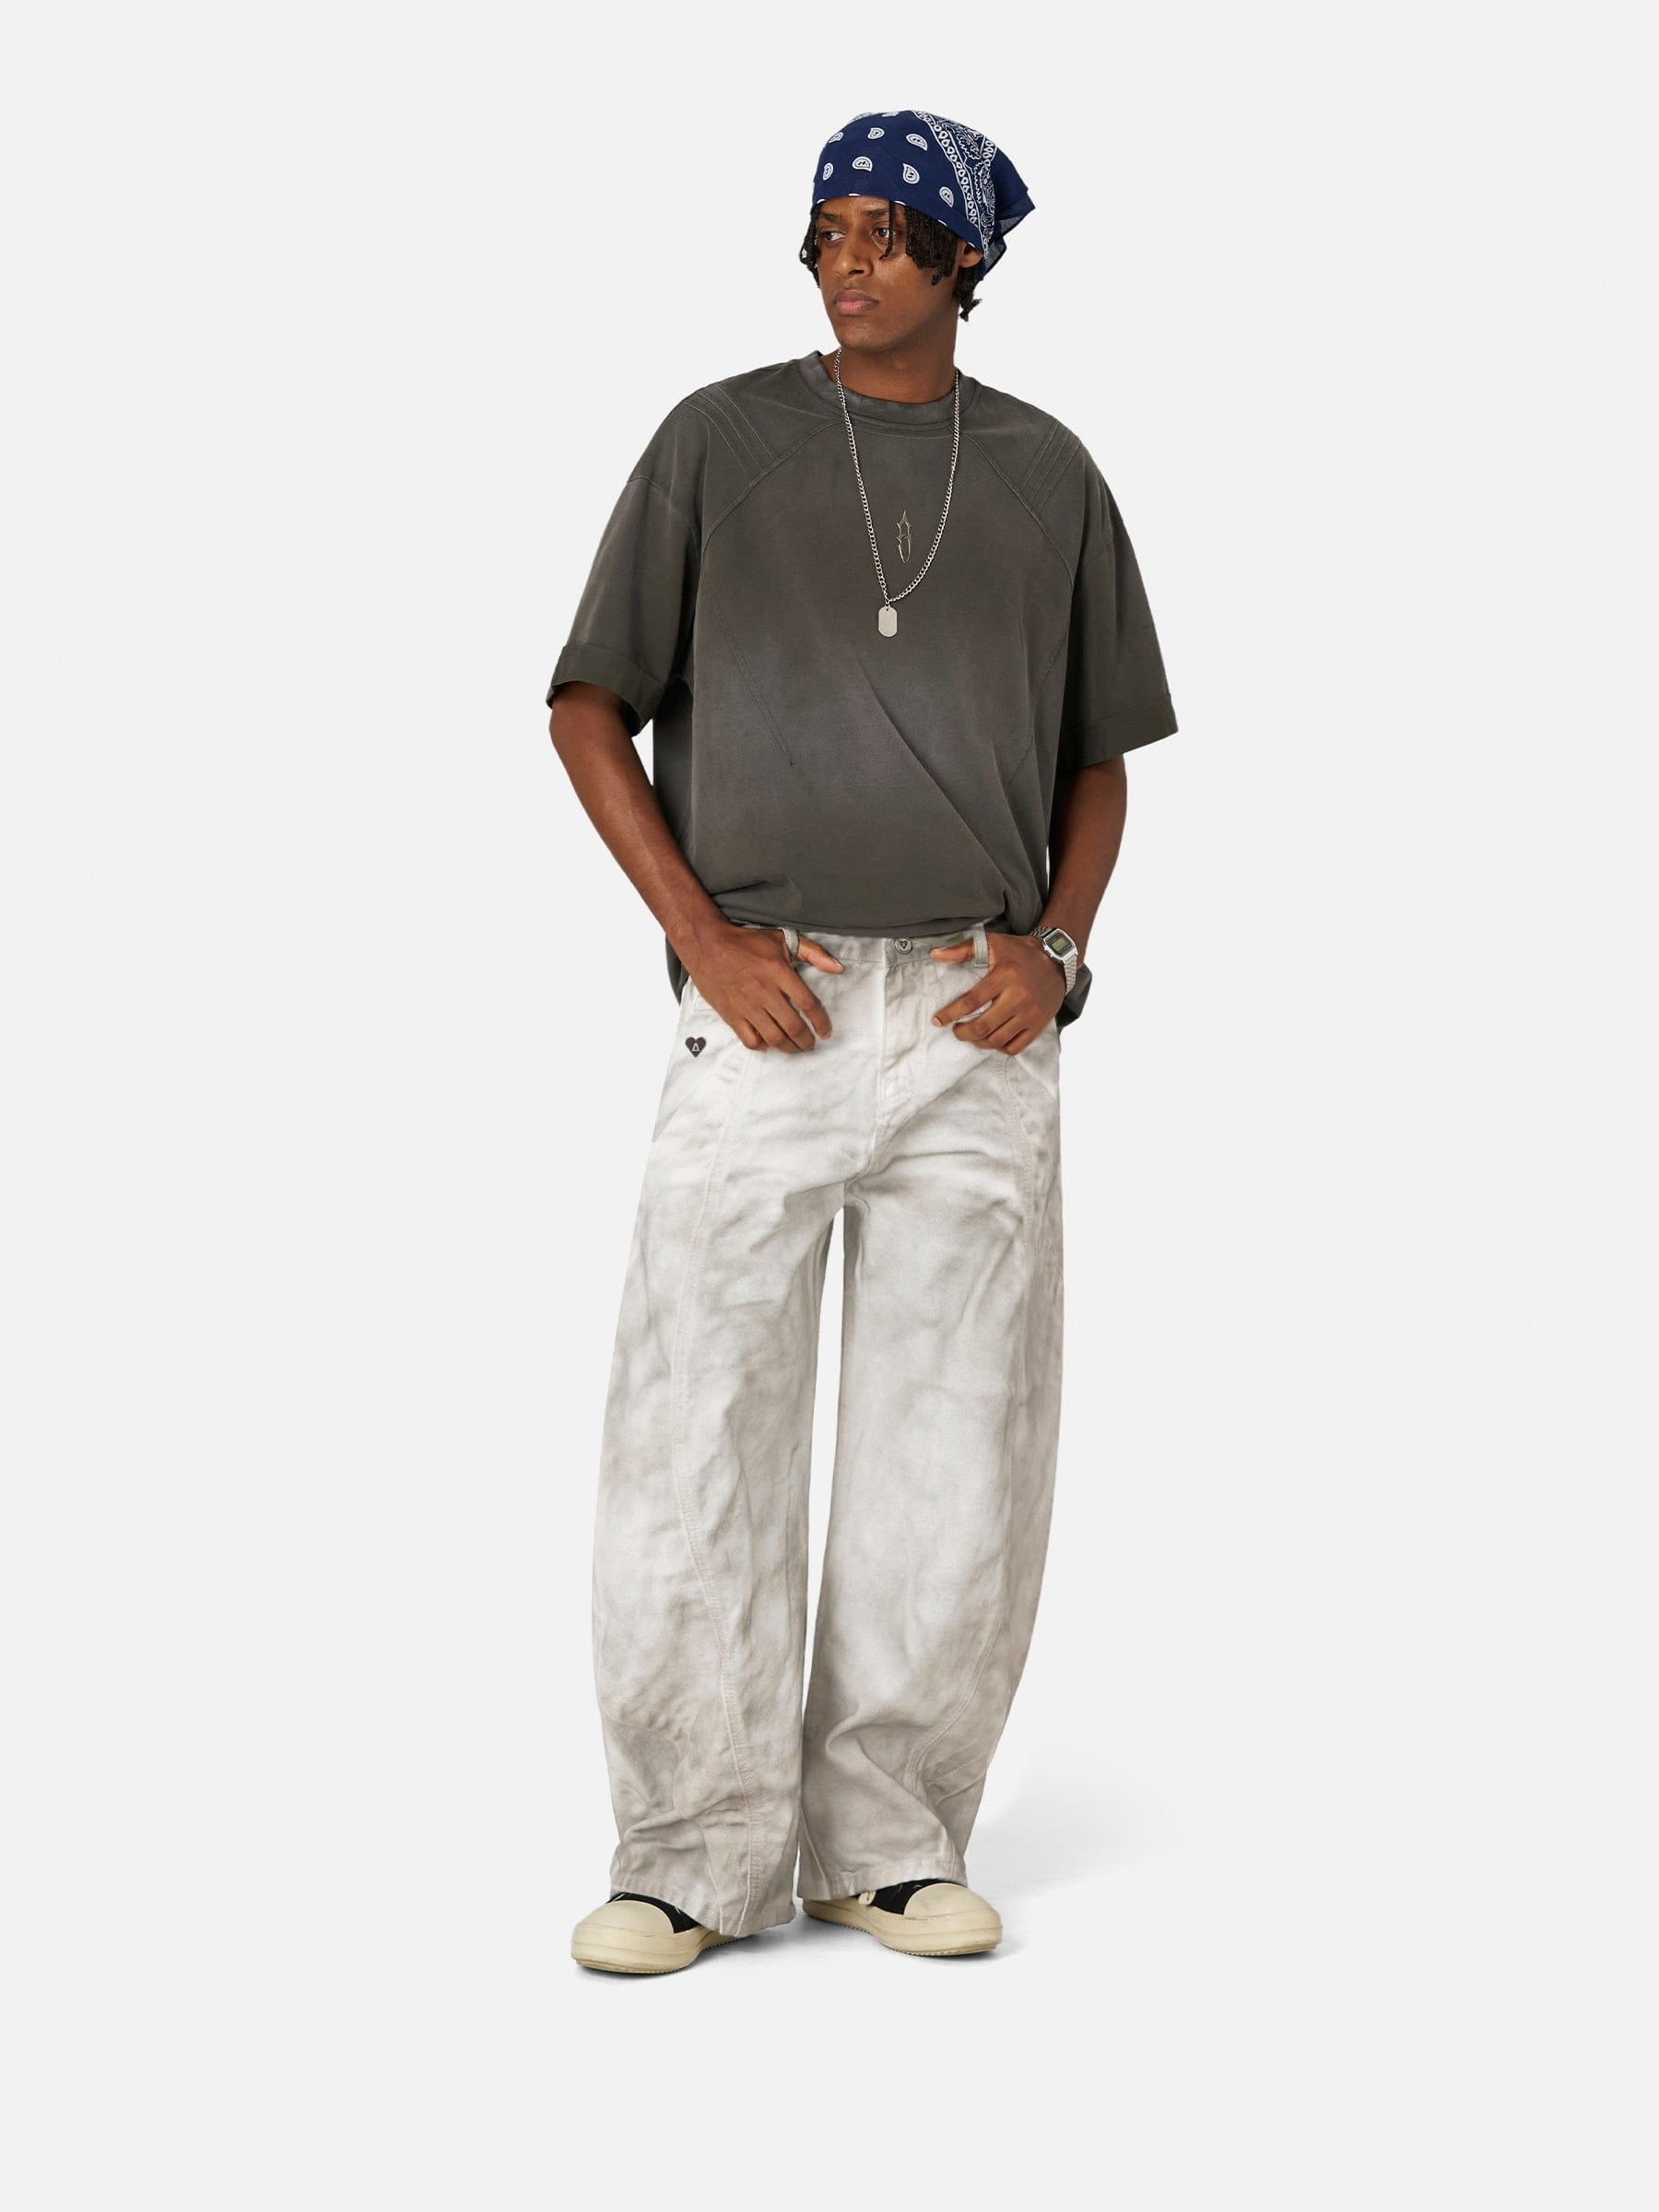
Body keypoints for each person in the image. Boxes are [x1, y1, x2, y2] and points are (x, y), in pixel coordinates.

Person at [547, 108, 1178, 1974]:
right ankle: (690, 1854)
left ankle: (888, 1843)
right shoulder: (719, 442)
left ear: (968, 261)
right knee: (697, 1433)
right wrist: (701, 937)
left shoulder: (1049, 473)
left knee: (953, 1447)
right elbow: (588, 706)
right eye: (828, 226)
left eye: (891, 233)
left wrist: (1057, 955)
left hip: (979, 1025)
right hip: (774, 1005)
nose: (850, 260)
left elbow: (1098, 758)